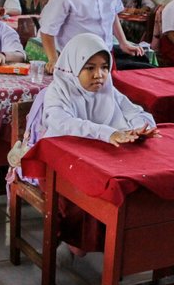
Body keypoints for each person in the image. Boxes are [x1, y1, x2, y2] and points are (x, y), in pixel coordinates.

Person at [15, 33, 157, 253]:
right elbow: (63, 123)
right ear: (73, 67)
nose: (99, 75)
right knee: (82, 199)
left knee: (125, 191)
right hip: (56, 166)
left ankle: (116, 248)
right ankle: (78, 243)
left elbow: (137, 113)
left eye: (104, 67)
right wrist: (108, 133)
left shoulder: (109, 90)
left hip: (96, 162)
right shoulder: (58, 90)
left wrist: (140, 127)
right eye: (89, 68)